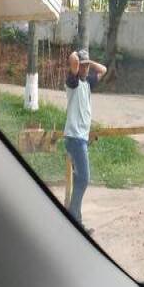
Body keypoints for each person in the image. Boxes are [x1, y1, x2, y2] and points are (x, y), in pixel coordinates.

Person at [63, 49, 107, 232]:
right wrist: (77, 56)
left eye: (88, 66)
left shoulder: (87, 83)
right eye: (84, 66)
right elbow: (72, 59)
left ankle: (74, 218)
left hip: (80, 138)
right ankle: (75, 220)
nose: (87, 68)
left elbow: (103, 70)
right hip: (75, 138)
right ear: (77, 67)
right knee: (84, 178)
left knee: (79, 179)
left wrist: (88, 60)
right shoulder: (72, 82)